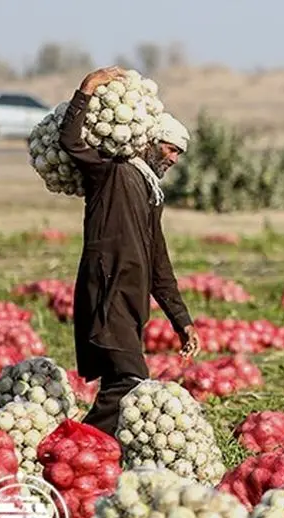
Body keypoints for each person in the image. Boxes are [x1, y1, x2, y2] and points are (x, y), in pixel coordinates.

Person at [59, 65, 200, 435]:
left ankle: (93, 454)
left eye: (179, 154)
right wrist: (86, 88)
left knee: (119, 385)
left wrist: (180, 320)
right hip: (106, 295)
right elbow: (71, 141)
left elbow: (159, 263)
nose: (173, 158)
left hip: (130, 304)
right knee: (130, 382)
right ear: (151, 141)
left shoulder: (151, 192)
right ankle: (71, 447)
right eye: (171, 148)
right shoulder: (110, 171)